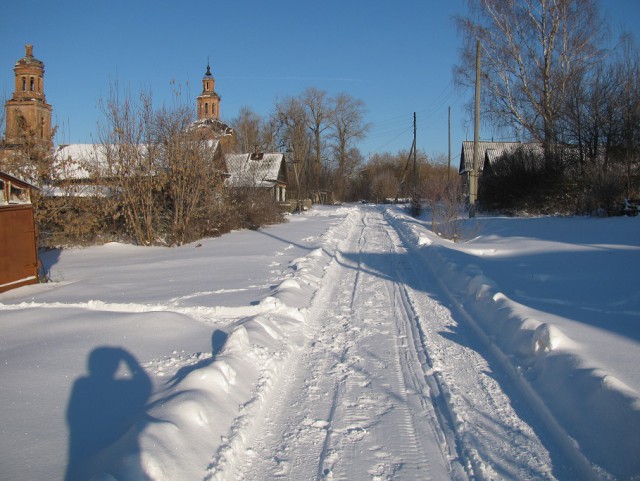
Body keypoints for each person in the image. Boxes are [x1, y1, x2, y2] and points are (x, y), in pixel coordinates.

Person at [65, 346, 151, 481]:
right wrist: (127, 358)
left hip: (81, 452)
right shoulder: (120, 387)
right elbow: (145, 386)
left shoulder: (82, 385)